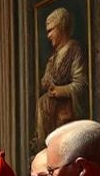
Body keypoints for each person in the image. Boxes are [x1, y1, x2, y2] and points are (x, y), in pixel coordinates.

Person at [34, 8, 88, 148]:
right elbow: (45, 81)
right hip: (49, 116)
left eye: (51, 30)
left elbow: (81, 84)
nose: (48, 35)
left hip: (66, 115)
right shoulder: (53, 58)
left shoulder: (74, 50)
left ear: (62, 27)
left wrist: (61, 90)